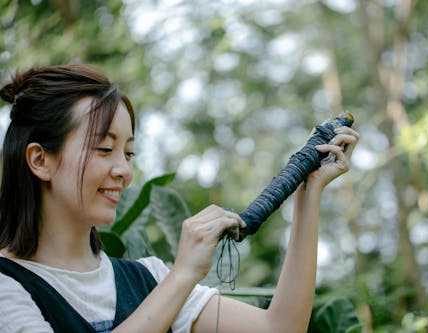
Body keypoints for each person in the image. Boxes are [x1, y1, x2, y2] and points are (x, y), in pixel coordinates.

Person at [0, 64, 359, 333]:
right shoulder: (7, 286)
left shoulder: (148, 279)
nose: (123, 171)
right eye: (104, 148)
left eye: (128, 153)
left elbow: (279, 329)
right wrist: (184, 273)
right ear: (40, 160)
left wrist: (307, 195)